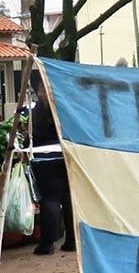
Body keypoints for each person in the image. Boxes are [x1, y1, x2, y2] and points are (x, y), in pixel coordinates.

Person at [31, 86, 75, 255]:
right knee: (68, 197)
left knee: (50, 199)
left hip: (46, 157)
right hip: (66, 155)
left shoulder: (41, 106)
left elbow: (36, 131)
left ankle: (47, 243)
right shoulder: (66, 105)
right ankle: (72, 240)